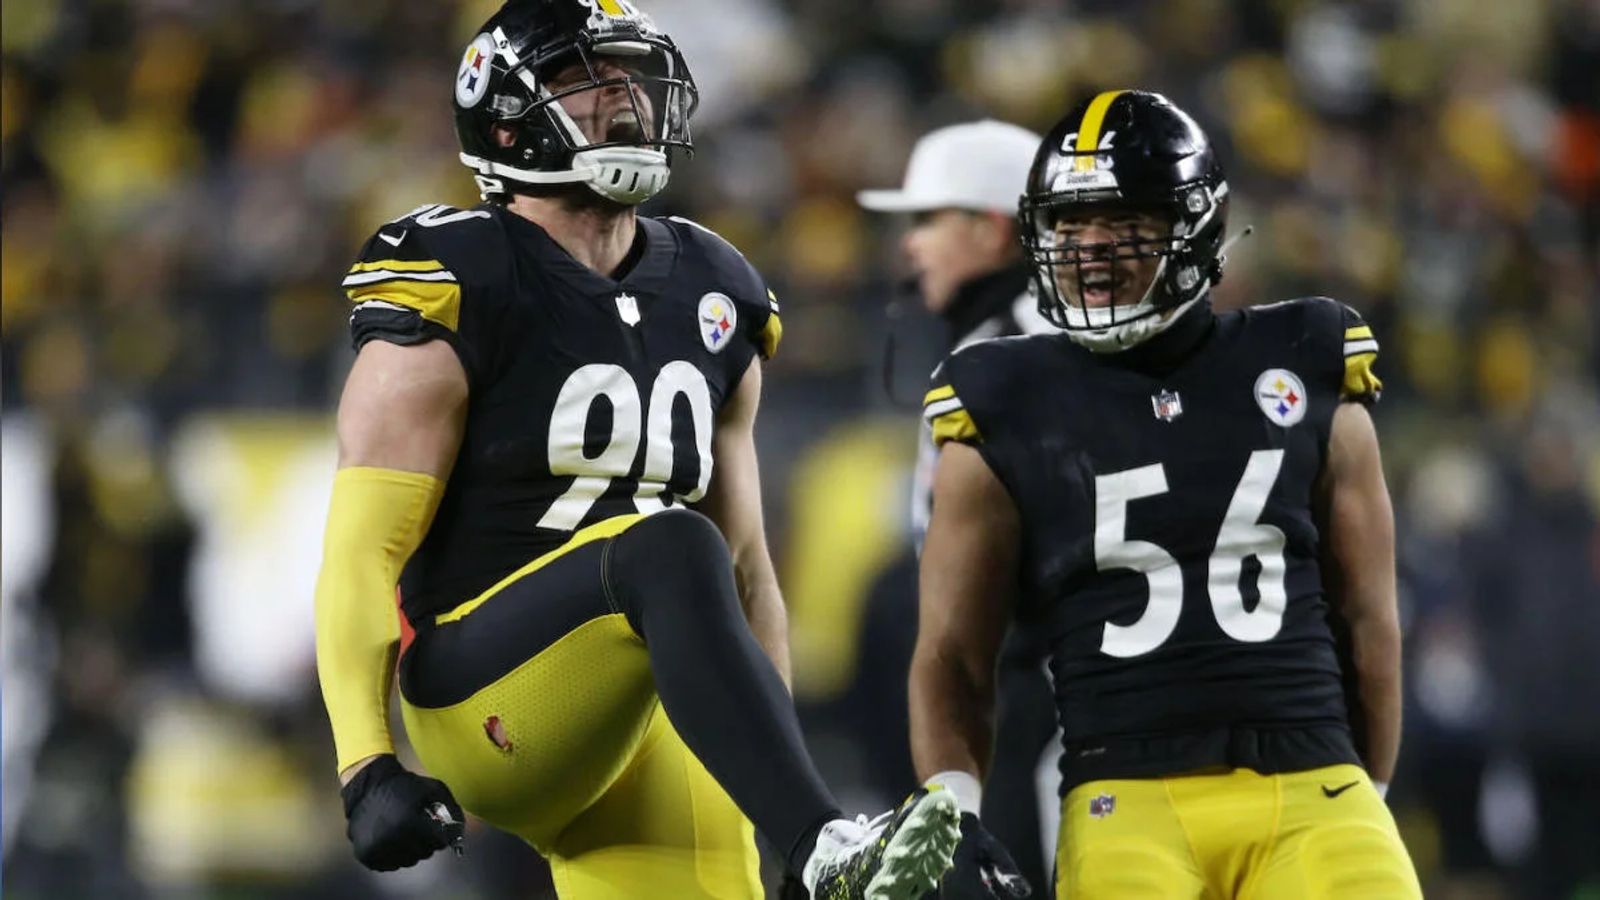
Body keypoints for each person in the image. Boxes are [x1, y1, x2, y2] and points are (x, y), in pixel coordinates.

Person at [312, 1, 962, 898]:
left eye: (629, 73)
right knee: (665, 543)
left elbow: (746, 574)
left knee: (690, 553)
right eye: (588, 78)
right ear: (506, 115)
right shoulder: (459, 274)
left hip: (646, 712)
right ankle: (826, 848)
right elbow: (360, 548)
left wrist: (778, 783)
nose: (623, 95)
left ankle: (815, 841)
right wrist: (364, 764)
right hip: (488, 697)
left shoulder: (715, 285)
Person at [908, 89, 1423, 898]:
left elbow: (1368, 614)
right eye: (1069, 226)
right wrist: (955, 809)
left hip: (1313, 779)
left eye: (1122, 223)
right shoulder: (1002, 394)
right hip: (1127, 796)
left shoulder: (1305, 356)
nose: (1090, 249)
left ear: (1193, 228)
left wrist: (1368, 789)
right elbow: (950, 653)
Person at [856, 121, 1054, 898]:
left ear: (991, 226)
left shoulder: (1039, 353)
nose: (911, 245)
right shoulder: (986, 347)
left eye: (928, 219)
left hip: (1049, 696)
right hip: (1000, 689)